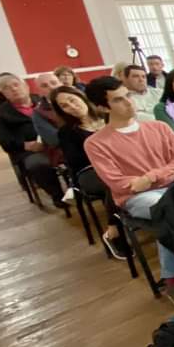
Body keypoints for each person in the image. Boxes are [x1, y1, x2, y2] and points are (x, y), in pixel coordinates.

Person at [83, 77, 174, 307]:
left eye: (128, 95)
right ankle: (172, 279)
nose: (128, 102)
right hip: (136, 198)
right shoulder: (96, 143)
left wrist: (150, 177)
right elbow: (118, 183)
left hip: (172, 186)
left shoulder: (159, 127)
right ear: (102, 107)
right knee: (168, 209)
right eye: (118, 100)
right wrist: (161, 176)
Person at [50, 84, 128, 258]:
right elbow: (76, 161)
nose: (71, 106)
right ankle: (114, 229)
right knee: (113, 182)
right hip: (89, 172)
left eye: (72, 100)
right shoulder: (67, 132)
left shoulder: (108, 117)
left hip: (121, 165)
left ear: (81, 96)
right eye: (64, 106)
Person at [0, 73, 65, 207]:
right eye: (7, 88)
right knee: (38, 164)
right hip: (30, 150)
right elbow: (3, 140)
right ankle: (58, 195)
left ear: (26, 86)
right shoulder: (0, 114)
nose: (13, 89)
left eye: (16, 85)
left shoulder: (42, 100)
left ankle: (79, 186)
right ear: (3, 94)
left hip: (55, 142)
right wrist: (25, 145)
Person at [32, 71, 64, 151]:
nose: (52, 87)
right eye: (44, 86)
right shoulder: (38, 113)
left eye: (54, 83)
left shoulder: (79, 98)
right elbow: (54, 140)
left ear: (61, 84)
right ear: (39, 92)